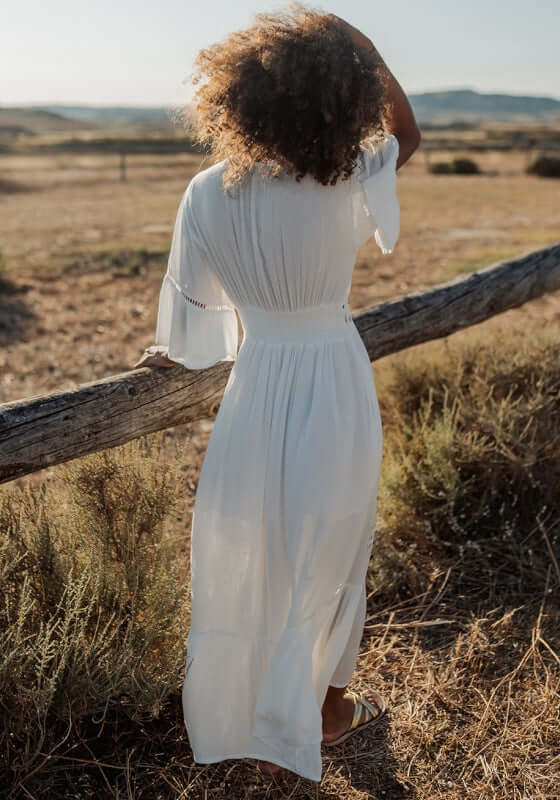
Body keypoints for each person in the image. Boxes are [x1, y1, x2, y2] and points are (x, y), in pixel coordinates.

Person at [134, 3, 421, 783]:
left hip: (257, 383)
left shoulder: (205, 191)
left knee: (252, 541)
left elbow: (192, 334)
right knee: (333, 539)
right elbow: (411, 137)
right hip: (331, 374)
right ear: (341, 94)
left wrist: (168, 355)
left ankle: (255, 710)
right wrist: (365, 48)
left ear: (240, 99)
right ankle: (327, 710)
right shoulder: (345, 174)